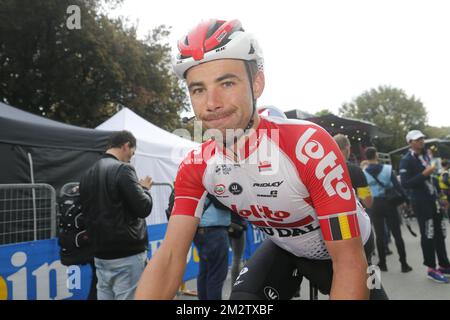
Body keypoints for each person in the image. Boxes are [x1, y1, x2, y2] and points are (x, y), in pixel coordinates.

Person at [136, 19, 387, 300]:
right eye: (198, 89)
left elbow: (349, 261)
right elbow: (170, 256)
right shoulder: (196, 165)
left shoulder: (307, 147)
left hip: (347, 248)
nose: (211, 103)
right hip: (285, 248)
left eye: (227, 82)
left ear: (257, 84)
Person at [80, 130, 153, 299]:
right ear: (126, 146)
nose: (131, 157)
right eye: (132, 153)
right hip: (126, 252)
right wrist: (144, 189)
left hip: (99, 251)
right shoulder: (123, 169)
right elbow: (143, 208)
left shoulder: (87, 173)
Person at [400, 130, 450, 283]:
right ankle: (431, 268)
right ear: (410, 142)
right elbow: (405, 183)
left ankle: (444, 264)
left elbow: (433, 178)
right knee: (428, 235)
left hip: (434, 201)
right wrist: (424, 174)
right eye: (417, 139)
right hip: (421, 203)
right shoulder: (406, 160)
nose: (421, 141)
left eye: (422, 138)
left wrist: (441, 197)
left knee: (440, 234)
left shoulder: (426, 156)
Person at [363, 147, 412, 273]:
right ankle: (404, 264)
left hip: (374, 205)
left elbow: (363, 193)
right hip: (389, 203)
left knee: (379, 236)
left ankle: (383, 263)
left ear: (366, 157)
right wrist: (407, 200)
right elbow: (398, 186)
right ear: (376, 155)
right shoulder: (387, 169)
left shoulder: (363, 173)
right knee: (397, 234)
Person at [193, 194, 231, 300]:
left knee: (204, 273)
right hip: (214, 230)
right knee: (216, 276)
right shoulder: (216, 180)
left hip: (199, 229)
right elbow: (227, 202)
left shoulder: (198, 180)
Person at [333, 134, 373, 209]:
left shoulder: (323, 170)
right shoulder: (356, 171)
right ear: (347, 148)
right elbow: (368, 202)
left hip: (330, 216)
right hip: (352, 216)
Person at [228, 210, 248, 286]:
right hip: (237, 225)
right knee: (237, 258)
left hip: (228, 224)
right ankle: (235, 286)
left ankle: (235, 285)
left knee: (236, 258)